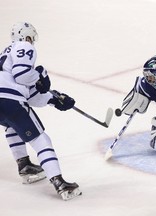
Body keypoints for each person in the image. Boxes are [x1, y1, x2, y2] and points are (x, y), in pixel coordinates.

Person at [0, 22, 81, 200]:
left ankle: (24, 165)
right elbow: (22, 75)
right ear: (25, 36)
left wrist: (54, 99)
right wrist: (40, 75)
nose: (31, 42)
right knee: (41, 139)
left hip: (3, 102)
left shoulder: (4, 55)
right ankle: (59, 182)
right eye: (30, 38)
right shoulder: (23, 46)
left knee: (13, 126)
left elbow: (29, 95)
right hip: (9, 99)